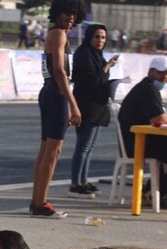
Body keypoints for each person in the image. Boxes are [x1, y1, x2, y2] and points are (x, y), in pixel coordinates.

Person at [29, 0, 85, 218]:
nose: (69, 19)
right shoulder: (59, 35)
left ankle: (37, 201)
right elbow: (60, 71)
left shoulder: (55, 34)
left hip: (50, 92)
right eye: (66, 15)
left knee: (46, 150)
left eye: (73, 15)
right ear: (57, 14)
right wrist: (73, 104)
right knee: (53, 151)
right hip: (57, 94)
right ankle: (40, 203)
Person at [118, 56, 167, 209]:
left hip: (144, 140)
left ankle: (151, 192)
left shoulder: (147, 87)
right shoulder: (148, 89)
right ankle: (155, 193)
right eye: (162, 73)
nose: (166, 77)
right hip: (139, 143)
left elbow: (160, 117)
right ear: (152, 72)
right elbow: (158, 117)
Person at [68, 24, 119, 199]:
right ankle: (76, 183)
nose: (100, 41)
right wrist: (107, 67)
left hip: (97, 105)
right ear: (89, 37)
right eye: (97, 37)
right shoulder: (83, 54)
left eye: (103, 37)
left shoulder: (97, 55)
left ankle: (83, 180)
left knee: (90, 147)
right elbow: (92, 79)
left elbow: (100, 79)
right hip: (86, 105)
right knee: (83, 146)